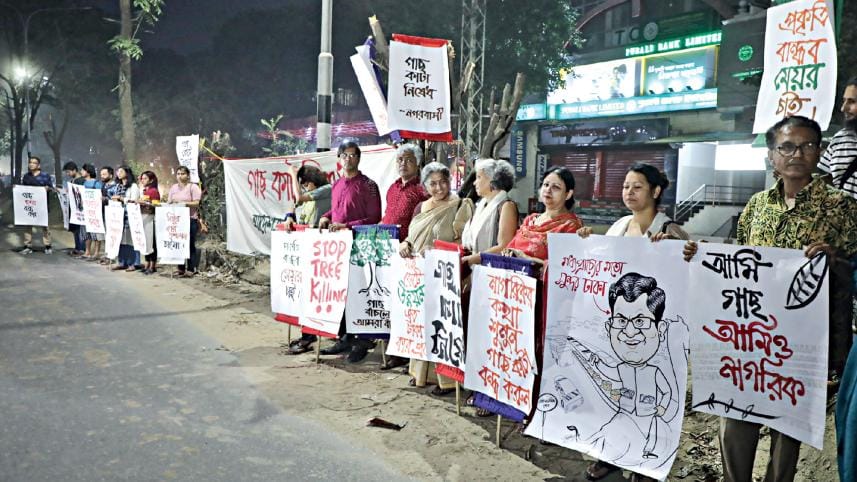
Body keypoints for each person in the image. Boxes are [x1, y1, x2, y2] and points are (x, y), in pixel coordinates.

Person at [684, 116, 857, 482]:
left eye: (808, 146)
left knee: (787, 429)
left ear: (820, 152)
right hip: (750, 338)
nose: (797, 154)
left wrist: (836, 262)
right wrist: (700, 257)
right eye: (787, 146)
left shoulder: (843, 207)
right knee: (735, 415)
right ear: (771, 155)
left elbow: (854, 270)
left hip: (802, 342)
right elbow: (737, 265)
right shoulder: (756, 205)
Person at [578, 163, 687, 482]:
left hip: (652, 329)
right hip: (621, 327)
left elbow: (689, 267)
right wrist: (586, 241)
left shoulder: (671, 230)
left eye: (637, 186)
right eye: (626, 186)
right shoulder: (620, 226)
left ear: (656, 191)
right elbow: (602, 265)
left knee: (649, 404)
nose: (629, 192)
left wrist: (677, 249)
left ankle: (646, 464)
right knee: (618, 397)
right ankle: (611, 456)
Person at [400, 161, 474, 393]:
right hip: (419, 274)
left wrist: (438, 249)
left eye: (443, 182)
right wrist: (405, 244)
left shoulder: (460, 205)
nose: (439, 188)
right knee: (421, 323)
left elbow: (465, 241)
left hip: (445, 274)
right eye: (433, 184)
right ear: (425, 186)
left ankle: (448, 380)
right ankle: (422, 375)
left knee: (443, 326)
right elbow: (412, 235)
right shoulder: (420, 207)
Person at [318, 141, 382, 363]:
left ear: (359, 158)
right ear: (339, 158)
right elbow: (338, 209)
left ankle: (363, 340)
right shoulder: (337, 184)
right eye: (344, 155)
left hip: (361, 247)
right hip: (338, 249)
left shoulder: (369, 185)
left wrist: (347, 226)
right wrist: (326, 216)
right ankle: (345, 337)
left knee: (360, 292)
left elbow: (374, 218)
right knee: (341, 292)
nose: (349, 159)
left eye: (353, 155)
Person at [283, 164, 333, 355]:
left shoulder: (326, 189)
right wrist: (289, 217)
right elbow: (293, 203)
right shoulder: (309, 194)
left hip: (320, 250)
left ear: (313, 181)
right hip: (305, 249)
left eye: (305, 184)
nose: (304, 188)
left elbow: (298, 198)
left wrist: (292, 175)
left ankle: (310, 334)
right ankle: (308, 334)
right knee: (305, 293)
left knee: (315, 294)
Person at [503, 166, 584, 265]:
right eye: (546, 185)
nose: (548, 190)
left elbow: (564, 267)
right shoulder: (531, 220)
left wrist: (526, 259)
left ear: (568, 194)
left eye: (556, 187)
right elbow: (510, 248)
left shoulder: (571, 226)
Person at [460, 158, 519, 267]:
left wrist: (471, 259)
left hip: (492, 271)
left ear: (492, 180)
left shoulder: (506, 206)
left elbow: (504, 246)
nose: (474, 183)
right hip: (475, 268)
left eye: (479, 177)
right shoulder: (482, 205)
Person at [381, 143, 429, 242]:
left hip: (407, 247)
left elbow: (425, 225)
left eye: (409, 160)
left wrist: (408, 242)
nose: (403, 163)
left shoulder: (423, 191)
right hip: (386, 244)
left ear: (418, 164)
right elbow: (387, 216)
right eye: (400, 159)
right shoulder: (392, 188)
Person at [819, 76, 857, 199]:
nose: (843, 108)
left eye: (852, 101)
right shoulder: (840, 139)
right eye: (844, 101)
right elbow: (829, 181)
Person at [167, 166, 203, 277]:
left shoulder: (193, 187)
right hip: (177, 220)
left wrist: (183, 203)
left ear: (188, 175)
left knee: (190, 244)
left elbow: (196, 203)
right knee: (179, 243)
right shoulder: (173, 187)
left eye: (182, 174)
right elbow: (169, 201)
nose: (180, 176)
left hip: (190, 219)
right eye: (178, 174)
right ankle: (181, 268)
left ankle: (191, 268)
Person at [18, 156, 54, 254]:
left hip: (42, 206)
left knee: (45, 226)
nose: (31, 164)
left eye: (34, 163)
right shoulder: (26, 176)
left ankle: (48, 246)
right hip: (30, 206)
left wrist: (48, 188)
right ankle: (28, 246)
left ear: (39, 165)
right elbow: (23, 190)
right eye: (30, 162)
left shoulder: (45, 176)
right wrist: (16, 189)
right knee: (28, 225)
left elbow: (51, 188)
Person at [284, 164, 331, 230]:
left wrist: (294, 175)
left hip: (318, 231)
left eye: (304, 181)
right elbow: (295, 203)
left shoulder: (327, 188)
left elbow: (299, 198)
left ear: (313, 178)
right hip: (305, 230)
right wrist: (290, 217)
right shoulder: (308, 193)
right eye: (301, 182)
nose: (304, 185)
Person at [112, 166, 140, 271]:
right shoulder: (118, 186)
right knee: (120, 240)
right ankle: (122, 262)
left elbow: (134, 200)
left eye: (121, 171)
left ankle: (133, 263)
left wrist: (121, 198)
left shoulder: (133, 186)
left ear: (127, 173)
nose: (118, 173)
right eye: (117, 171)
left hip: (130, 216)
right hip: (118, 216)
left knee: (131, 240)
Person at [138, 171, 161, 275]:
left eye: (145, 178)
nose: (142, 180)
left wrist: (145, 203)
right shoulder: (144, 191)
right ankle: (147, 263)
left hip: (151, 218)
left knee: (152, 242)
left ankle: (153, 265)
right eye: (142, 178)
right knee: (146, 241)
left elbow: (156, 205)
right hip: (143, 218)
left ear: (151, 180)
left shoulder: (154, 191)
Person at [62, 162, 86, 256]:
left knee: (80, 230)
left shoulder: (82, 180)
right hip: (72, 209)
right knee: (75, 229)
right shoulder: (72, 180)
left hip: (79, 209)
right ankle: (77, 248)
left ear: (74, 170)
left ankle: (82, 249)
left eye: (68, 172)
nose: (68, 174)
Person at [81, 163, 104, 261]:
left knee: (96, 233)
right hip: (86, 211)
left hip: (95, 212)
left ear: (88, 171)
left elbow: (99, 196)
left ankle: (96, 253)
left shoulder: (96, 183)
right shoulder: (84, 183)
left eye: (83, 170)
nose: (81, 172)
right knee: (86, 233)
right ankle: (87, 252)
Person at [98, 166, 118, 264]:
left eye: (104, 174)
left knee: (112, 234)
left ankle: (112, 256)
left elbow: (116, 199)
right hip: (103, 212)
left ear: (111, 175)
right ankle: (108, 254)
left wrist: (105, 199)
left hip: (112, 214)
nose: (102, 176)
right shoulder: (103, 185)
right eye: (101, 174)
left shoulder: (115, 186)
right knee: (106, 234)